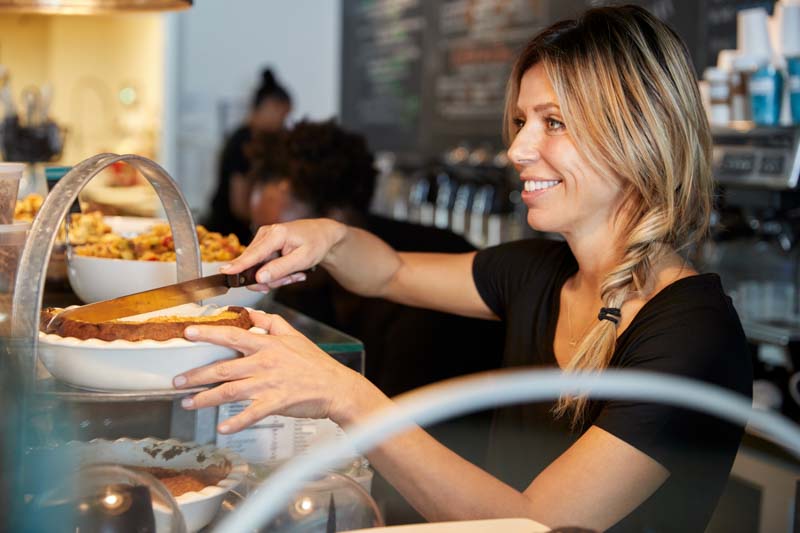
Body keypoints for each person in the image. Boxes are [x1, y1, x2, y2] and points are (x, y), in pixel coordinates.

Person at [174, 6, 753, 532]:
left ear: (638, 136)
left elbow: (536, 524)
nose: (518, 149)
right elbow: (389, 272)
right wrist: (328, 236)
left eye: (553, 122)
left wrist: (347, 396)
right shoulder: (540, 273)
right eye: (523, 120)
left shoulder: (691, 336)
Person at [247, 119, 505, 523]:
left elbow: (404, 440)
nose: (263, 253)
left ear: (331, 217)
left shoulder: (429, 293)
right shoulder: (307, 288)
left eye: (282, 237)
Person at [204, 68, 292, 242]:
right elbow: (239, 204)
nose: (284, 122)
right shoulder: (243, 143)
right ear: (269, 106)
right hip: (229, 234)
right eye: (283, 114)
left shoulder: (252, 138)